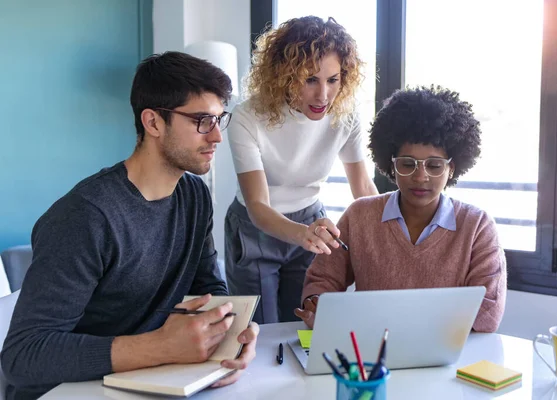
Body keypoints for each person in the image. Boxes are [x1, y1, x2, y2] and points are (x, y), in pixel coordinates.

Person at [0, 52, 259, 400]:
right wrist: (162, 347)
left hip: (149, 381)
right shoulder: (85, 217)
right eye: (201, 121)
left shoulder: (194, 196)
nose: (217, 138)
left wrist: (232, 335)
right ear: (153, 123)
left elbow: (208, 286)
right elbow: (24, 355)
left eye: (218, 120)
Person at [294, 86, 507, 333]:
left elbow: (488, 313)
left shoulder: (477, 227)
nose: (420, 176)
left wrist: (400, 317)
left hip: (448, 359)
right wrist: (316, 304)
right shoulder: (359, 215)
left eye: (434, 165)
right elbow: (323, 280)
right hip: (372, 354)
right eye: (408, 164)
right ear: (391, 164)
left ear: (452, 168)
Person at [225, 16, 379, 324]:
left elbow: (363, 190)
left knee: (304, 328)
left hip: (310, 222)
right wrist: (302, 235)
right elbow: (258, 205)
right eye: (310, 80)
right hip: (256, 229)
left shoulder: (345, 117)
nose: (323, 95)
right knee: (260, 334)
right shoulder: (247, 117)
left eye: (333, 80)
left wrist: (390, 237)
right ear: (283, 75)